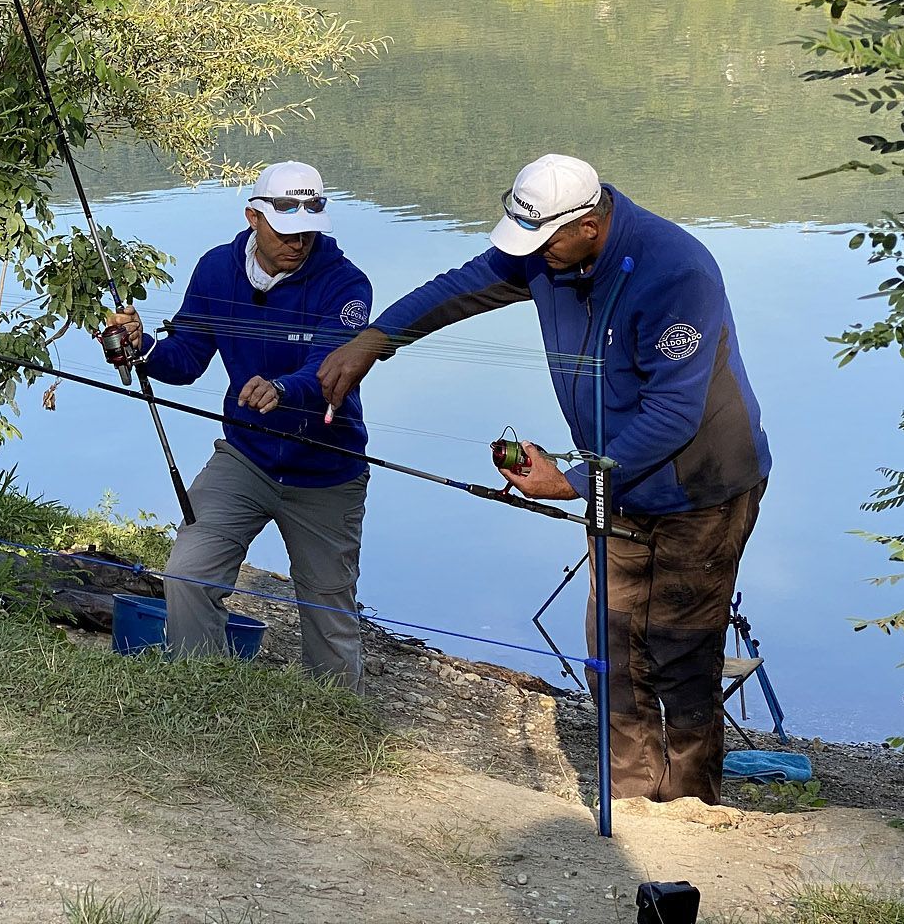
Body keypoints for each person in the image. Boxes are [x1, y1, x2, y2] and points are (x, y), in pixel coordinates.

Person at [316, 153, 771, 803]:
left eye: (547, 240)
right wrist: (377, 338)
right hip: (616, 484)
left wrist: (574, 481)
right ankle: (637, 800)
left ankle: (693, 806)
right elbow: (460, 286)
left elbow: (673, 414)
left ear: (589, 224)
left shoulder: (678, 272)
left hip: (702, 489)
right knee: (612, 650)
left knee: (679, 652)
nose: (533, 254)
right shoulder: (545, 251)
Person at [106, 160, 375, 688]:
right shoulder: (216, 270)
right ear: (254, 217)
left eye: (308, 231)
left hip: (327, 472)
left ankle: (339, 720)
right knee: (188, 572)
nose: (298, 243)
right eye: (286, 231)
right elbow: (184, 359)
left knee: (328, 611)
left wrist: (282, 389)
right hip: (245, 457)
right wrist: (143, 350)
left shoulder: (346, 285)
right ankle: (201, 691)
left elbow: (327, 367)